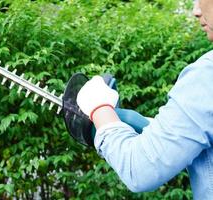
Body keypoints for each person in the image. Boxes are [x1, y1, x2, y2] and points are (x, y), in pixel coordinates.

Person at [76, 0, 213, 199]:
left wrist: (99, 108)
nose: (196, 11)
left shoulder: (206, 76)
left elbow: (140, 169)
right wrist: (145, 125)